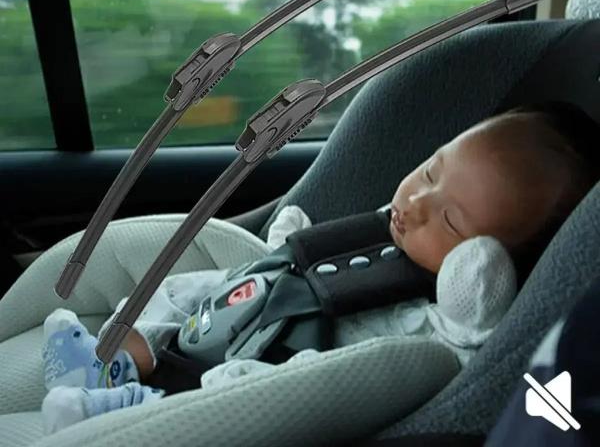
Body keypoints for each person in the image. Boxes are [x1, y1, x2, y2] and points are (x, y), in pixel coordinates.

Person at [39, 101, 600, 433]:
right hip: (266, 301)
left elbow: (449, 345)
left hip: (287, 364)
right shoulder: (388, 229)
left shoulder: (432, 330)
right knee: (195, 288)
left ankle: (138, 408)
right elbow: (306, 258)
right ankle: (122, 357)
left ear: (485, 264)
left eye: (451, 221)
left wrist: (470, 296)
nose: (414, 203)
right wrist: (290, 244)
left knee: (247, 386)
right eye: (431, 171)